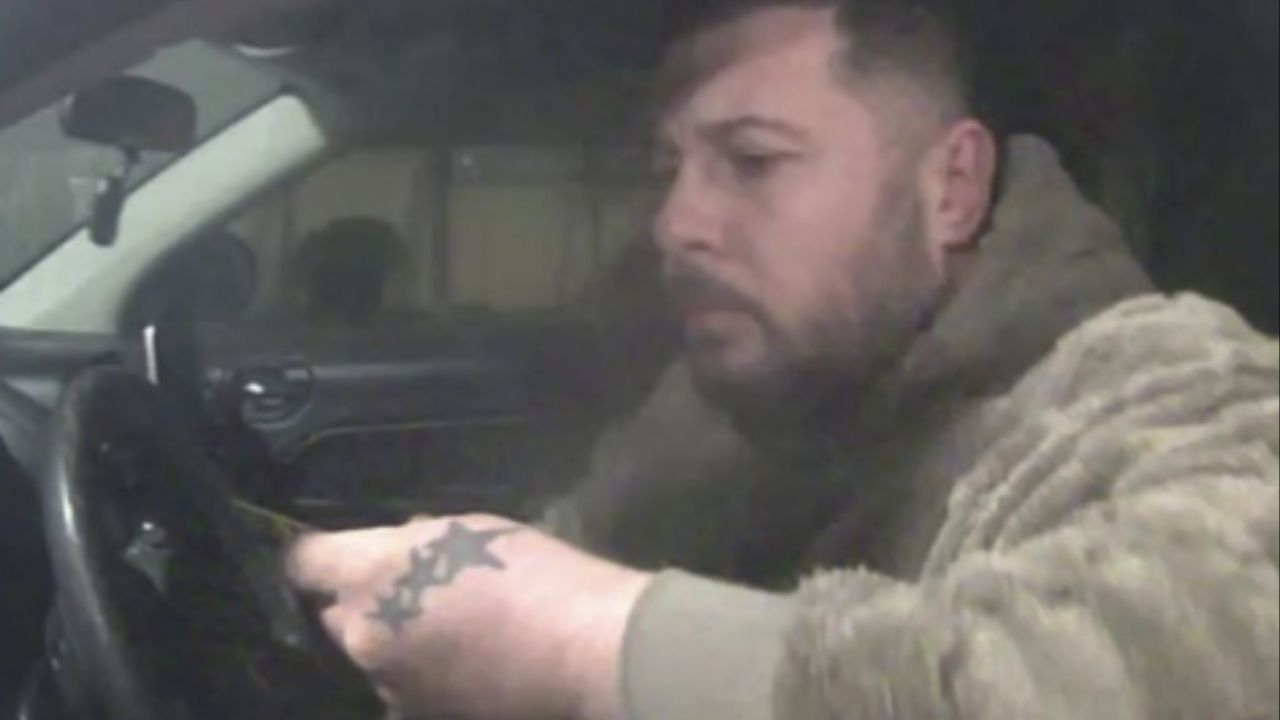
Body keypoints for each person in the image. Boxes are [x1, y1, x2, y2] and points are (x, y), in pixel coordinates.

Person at [285, 2, 1280, 719]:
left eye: (753, 161)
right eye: (667, 169)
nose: (675, 224)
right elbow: (570, 545)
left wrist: (586, 639)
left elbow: (1208, 656)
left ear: (951, 188)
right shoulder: (729, 406)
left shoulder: (1157, 389)